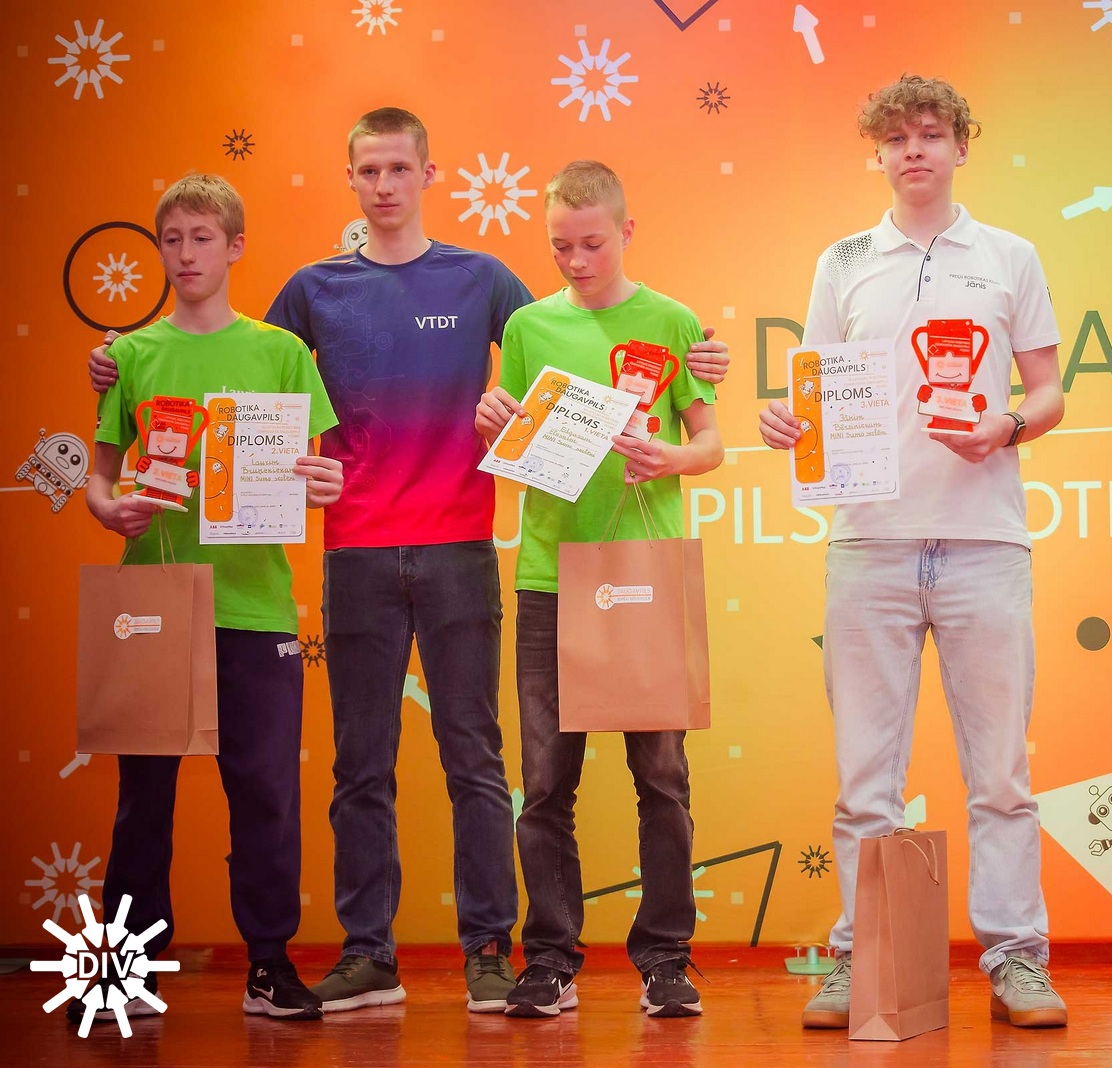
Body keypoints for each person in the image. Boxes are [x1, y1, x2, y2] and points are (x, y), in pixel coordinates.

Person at [89, 108, 731, 1014]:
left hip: (462, 548)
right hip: (353, 552)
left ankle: (490, 955)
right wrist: (118, 363)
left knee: (478, 761)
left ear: (428, 174)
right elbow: (236, 368)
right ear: (350, 179)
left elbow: (582, 333)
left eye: (399, 168)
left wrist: (699, 356)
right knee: (361, 767)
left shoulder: (489, 283)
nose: (384, 185)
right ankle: (369, 956)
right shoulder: (310, 293)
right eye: (369, 170)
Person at [758, 75, 1068, 1029]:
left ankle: (1017, 961)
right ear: (878, 154)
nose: (914, 151)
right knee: (865, 783)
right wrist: (787, 421)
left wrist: (1009, 426)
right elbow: (816, 390)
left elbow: (1049, 392)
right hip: (868, 546)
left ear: (961, 146)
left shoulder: (1010, 256)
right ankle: (861, 961)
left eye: (930, 134)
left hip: (984, 544)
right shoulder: (845, 260)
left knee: (1001, 777)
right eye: (896, 139)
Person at [81, 173, 342, 1023]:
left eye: (202, 238)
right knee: (143, 800)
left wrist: (322, 485)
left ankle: (269, 965)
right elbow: (101, 476)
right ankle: (125, 971)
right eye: (172, 239)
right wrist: (108, 508)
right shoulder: (129, 357)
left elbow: (317, 471)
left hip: (254, 607)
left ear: (234, 248)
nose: (186, 255)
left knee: (265, 794)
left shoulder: (281, 353)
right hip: (153, 601)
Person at [475, 160, 722, 1019]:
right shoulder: (528, 326)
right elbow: (510, 433)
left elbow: (710, 443)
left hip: (645, 572)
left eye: (591, 243)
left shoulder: (672, 320)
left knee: (662, 776)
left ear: (626, 231)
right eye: (560, 247)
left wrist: (670, 457)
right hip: (549, 575)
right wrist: (492, 420)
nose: (576, 261)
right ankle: (549, 961)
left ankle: (666, 961)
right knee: (546, 782)